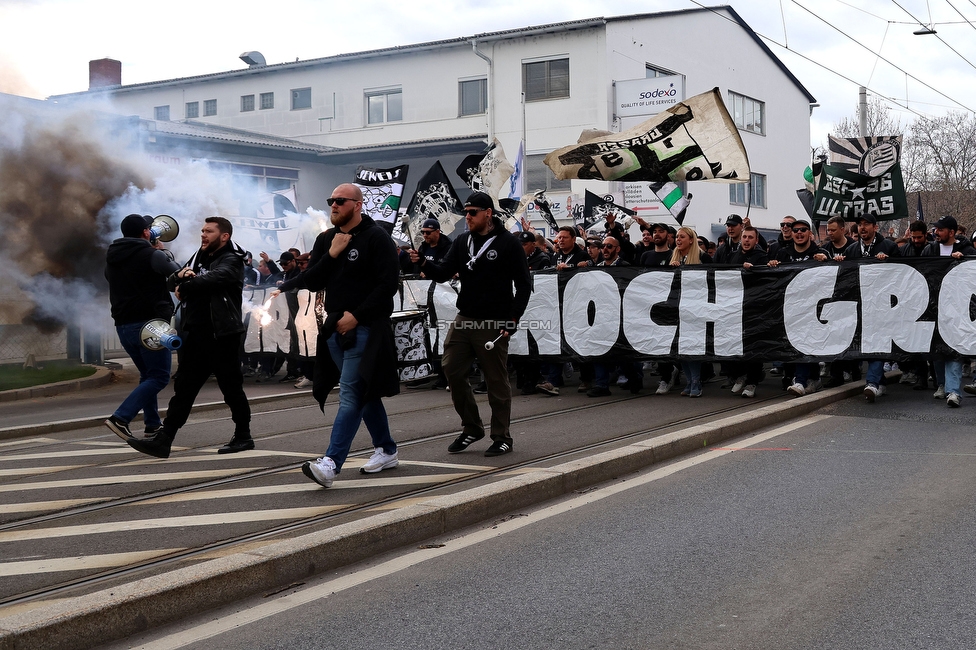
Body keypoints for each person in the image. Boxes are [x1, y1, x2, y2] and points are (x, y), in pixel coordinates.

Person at [273, 184, 401, 488]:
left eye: (339, 201)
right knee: (363, 393)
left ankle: (331, 463)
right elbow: (314, 279)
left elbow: (388, 285)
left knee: (351, 393)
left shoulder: (376, 237)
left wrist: (356, 316)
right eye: (331, 200)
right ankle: (386, 449)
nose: (333, 205)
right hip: (334, 329)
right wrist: (331, 254)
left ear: (357, 205)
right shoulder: (327, 239)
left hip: (365, 327)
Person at [415, 191, 532, 457]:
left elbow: (524, 285)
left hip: (494, 320)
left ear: (488, 214)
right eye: (466, 212)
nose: (467, 217)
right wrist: (422, 261)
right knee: (451, 370)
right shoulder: (462, 241)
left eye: (472, 213)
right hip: (465, 318)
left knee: (495, 380)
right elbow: (444, 273)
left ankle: (502, 436)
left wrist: (512, 319)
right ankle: (472, 427)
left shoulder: (507, 243)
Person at [126, 216, 253, 458]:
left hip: (222, 334)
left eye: (210, 231)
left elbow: (215, 278)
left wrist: (186, 283)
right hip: (196, 333)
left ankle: (243, 436)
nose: (203, 235)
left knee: (231, 388)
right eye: (203, 230)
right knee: (184, 388)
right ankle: (164, 439)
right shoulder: (198, 256)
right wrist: (184, 279)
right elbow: (173, 278)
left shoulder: (232, 259)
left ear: (224, 236)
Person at [103, 214, 183, 440]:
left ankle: (152, 424)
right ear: (146, 233)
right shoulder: (152, 254)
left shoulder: (112, 257)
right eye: (149, 229)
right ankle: (121, 418)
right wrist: (162, 251)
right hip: (151, 325)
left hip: (123, 326)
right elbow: (176, 275)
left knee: (147, 375)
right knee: (159, 377)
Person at [838, 214, 901, 402]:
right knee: (866, 345)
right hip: (860, 306)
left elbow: (901, 273)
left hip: (881, 306)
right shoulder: (851, 249)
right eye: (859, 225)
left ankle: (872, 382)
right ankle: (879, 382)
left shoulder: (889, 247)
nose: (862, 228)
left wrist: (888, 262)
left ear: (875, 227)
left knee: (877, 343)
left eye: (866, 224)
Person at [923, 215, 976, 407]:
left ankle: (953, 391)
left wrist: (962, 262)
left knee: (954, 348)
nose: (936, 233)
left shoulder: (967, 250)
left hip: (957, 309)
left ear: (951, 232)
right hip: (935, 308)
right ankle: (942, 384)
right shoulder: (930, 249)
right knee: (937, 348)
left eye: (940, 230)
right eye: (935, 229)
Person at [769, 218, 824, 397]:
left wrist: (827, 261)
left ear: (810, 233)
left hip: (814, 308)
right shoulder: (782, 254)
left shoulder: (820, 252)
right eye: (795, 230)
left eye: (803, 230)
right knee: (794, 344)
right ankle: (810, 379)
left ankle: (801, 380)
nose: (799, 233)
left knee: (806, 343)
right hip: (791, 308)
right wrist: (771, 267)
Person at [726, 226, 768, 398]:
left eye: (751, 237)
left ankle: (752, 382)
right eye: (745, 237)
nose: (747, 240)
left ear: (756, 240)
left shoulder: (762, 257)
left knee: (754, 346)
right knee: (734, 344)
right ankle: (739, 376)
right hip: (735, 309)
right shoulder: (732, 256)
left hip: (755, 309)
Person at [670, 226, 709, 397]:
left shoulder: (702, 257)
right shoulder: (673, 258)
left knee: (692, 347)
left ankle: (696, 382)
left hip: (696, 309)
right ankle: (689, 380)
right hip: (678, 309)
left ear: (691, 240)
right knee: (680, 349)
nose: (678, 239)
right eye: (677, 237)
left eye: (682, 237)